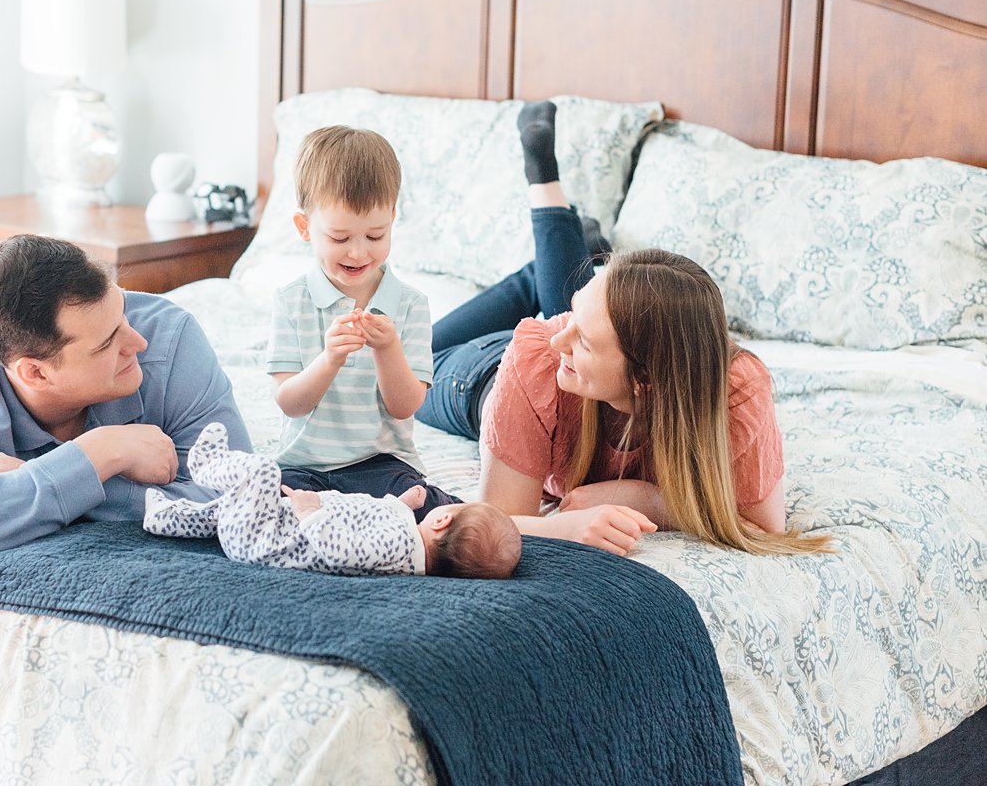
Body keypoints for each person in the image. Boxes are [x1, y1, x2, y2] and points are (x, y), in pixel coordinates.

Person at [417, 102, 830, 557]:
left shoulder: (735, 388)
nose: (559, 338)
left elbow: (764, 524)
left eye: (586, 339)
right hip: (482, 379)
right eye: (577, 316)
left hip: (586, 371)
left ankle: (559, 261)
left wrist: (654, 499)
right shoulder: (541, 356)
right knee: (409, 358)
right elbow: (497, 521)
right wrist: (571, 525)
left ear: (646, 379)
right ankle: (549, 230)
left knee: (576, 322)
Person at [0, 234, 252, 569]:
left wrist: (29, 474)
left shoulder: (170, 339)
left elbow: (236, 498)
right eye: (107, 343)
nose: (137, 342)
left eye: (122, 313)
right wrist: (101, 453)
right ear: (36, 374)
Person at [266, 125, 455, 521]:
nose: (357, 251)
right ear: (304, 228)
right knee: (266, 507)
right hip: (307, 467)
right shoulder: (291, 301)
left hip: (382, 464)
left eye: (375, 234)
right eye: (338, 238)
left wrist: (387, 349)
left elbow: (405, 407)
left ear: (392, 220)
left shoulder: (410, 306)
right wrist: (329, 359)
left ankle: (371, 523)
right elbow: (290, 403)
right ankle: (363, 525)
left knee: (442, 518)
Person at [144, 423, 521, 578]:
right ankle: (169, 518)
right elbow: (375, 519)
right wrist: (403, 503)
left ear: (440, 521)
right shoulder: (408, 545)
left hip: (263, 542)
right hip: (274, 527)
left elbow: (344, 550)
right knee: (227, 510)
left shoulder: (399, 544)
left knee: (262, 475)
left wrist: (310, 514)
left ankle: (207, 466)